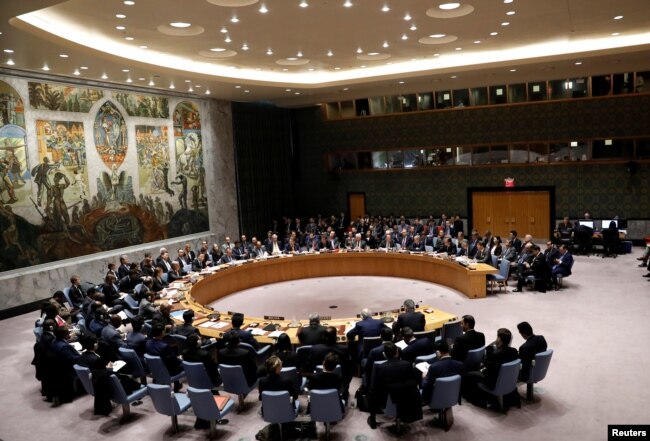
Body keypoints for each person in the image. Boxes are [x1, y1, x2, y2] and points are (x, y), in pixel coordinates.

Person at [367, 342, 422, 429]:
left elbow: (375, 388)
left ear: (384, 354)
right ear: (397, 352)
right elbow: (413, 381)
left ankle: (373, 421)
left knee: (372, 393)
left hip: (388, 401)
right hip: (407, 399)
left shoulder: (380, 368)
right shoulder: (407, 364)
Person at [463, 328, 519, 406]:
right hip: (508, 379)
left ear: (499, 338)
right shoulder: (514, 351)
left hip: (493, 381)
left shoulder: (495, 354)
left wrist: (481, 370)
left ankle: (475, 399)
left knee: (468, 375)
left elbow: (489, 372)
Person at [146, 323, 183, 391]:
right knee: (184, 364)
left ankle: (177, 384)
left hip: (155, 369)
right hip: (167, 370)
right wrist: (180, 359)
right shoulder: (164, 346)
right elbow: (174, 362)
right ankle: (177, 386)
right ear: (162, 332)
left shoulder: (147, 343)